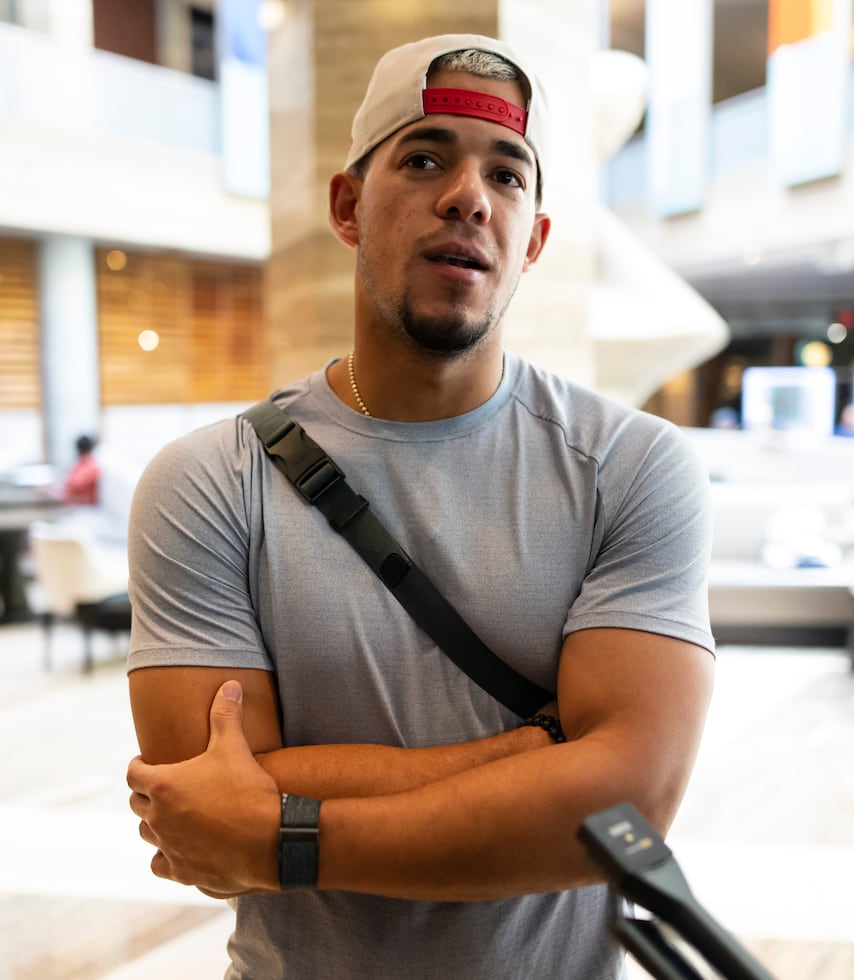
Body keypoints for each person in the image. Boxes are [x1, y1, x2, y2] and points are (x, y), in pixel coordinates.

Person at [126, 34, 715, 980]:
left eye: (507, 174)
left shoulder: (629, 468)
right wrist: (543, 754)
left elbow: (623, 805)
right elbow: (203, 801)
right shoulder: (210, 480)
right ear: (349, 206)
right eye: (425, 156)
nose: (469, 196)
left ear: (535, 237)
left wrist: (287, 837)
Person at [61, 434, 100, 505]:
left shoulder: (90, 465)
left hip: (83, 505)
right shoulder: (82, 463)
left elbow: (74, 485)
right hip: (74, 503)